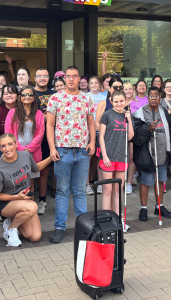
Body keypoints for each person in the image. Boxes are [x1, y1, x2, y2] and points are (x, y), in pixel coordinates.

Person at [46, 66, 96, 243]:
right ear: (64, 78)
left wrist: (92, 142)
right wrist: (52, 148)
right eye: (69, 76)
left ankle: (84, 228)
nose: (72, 79)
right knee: (62, 191)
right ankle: (60, 227)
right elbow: (50, 125)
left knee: (80, 191)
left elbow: (91, 123)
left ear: (79, 78)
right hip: (63, 150)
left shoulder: (86, 98)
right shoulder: (55, 98)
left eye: (75, 76)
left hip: (82, 151)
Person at [0, 134, 53, 247]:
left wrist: (51, 158)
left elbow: (36, 168)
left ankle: (12, 221)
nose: (7, 148)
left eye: (10, 144)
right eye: (3, 146)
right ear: (0, 148)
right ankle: (11, 229)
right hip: (6, 203)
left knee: (34, 236)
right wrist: (16, 197)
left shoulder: (25, 155)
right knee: (33, 206)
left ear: (16, 144)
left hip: (23, 201)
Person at [132, 87, 171, 221]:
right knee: (146, 181)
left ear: (160, 97)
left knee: (160, 180)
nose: (154, 98)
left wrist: (170, 149)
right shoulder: (140, 113)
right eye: (151, 95)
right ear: (147, 97)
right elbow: (135, 136)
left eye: (157, 95)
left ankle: (159, 206)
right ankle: (143, 208)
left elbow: (170, 132)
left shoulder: (165, 113)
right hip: (147, 153)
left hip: (163, 152)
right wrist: (147, 128)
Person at [98, 90, 134, 228]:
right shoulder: (107, 114)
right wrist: (105, 155)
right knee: (107, 190)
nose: (119, 104)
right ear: (111, 102)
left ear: (126, 101)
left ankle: (119, 220)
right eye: (116, 101)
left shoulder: (127, 116)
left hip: (121, 157)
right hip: (108, 157)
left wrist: (129, 119)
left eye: (121, 101)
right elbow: (101, 136)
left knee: (118, 190)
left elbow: (130, 136)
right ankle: (105, 220)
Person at [5, 85, 45, 201]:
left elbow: (41, 133)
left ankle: (30, 208)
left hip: (33, 153)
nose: (27, 97)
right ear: (19, 97)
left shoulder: (39, 114)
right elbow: (8, 133)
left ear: (34, 97)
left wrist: (29, 149)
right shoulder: (12, 113)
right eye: (24, 95)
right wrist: (21, 149)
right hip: (15, 152)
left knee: (30, 182)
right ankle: (17, 209)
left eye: (30, 95)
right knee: (16, 182)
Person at [93, 77, 124, 195]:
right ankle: (102, 184)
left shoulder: (123, 104)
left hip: (119, 142)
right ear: (109, 88)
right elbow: (97, 122)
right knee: (102, 161)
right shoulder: (104, 103)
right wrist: (104, 136)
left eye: (120, 87)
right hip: (105, 139)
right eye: (115, 87)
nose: (118, 89)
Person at [33, 69, 55, 214]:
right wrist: (45, 117)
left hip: (50, 136)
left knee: (44, 169)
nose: (42, 78)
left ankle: (42, 200)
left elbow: (59, 115)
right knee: (28, 169)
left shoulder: (54, 95)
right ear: (34, 78)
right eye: (39, 76)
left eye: (45, 76)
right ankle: (28, 200)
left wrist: (46, 117)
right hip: (32, 136)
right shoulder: (30, 93)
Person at [0, 84, 18, 167]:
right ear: (2, 97)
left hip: (19, 148)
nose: (9, 95)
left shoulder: (22, 109)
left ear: (18, 96)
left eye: (12, 93)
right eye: (6, 93)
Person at [123, 82, 138, 193]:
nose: (128, 91)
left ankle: (129, 182)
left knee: (131, 158)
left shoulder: (138, 103)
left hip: (134, 132)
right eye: (125, 89)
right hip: (121, 132)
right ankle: (122, 180)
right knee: (121, 158)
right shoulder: (120, 103)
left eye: (130, 89)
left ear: (133, 90)